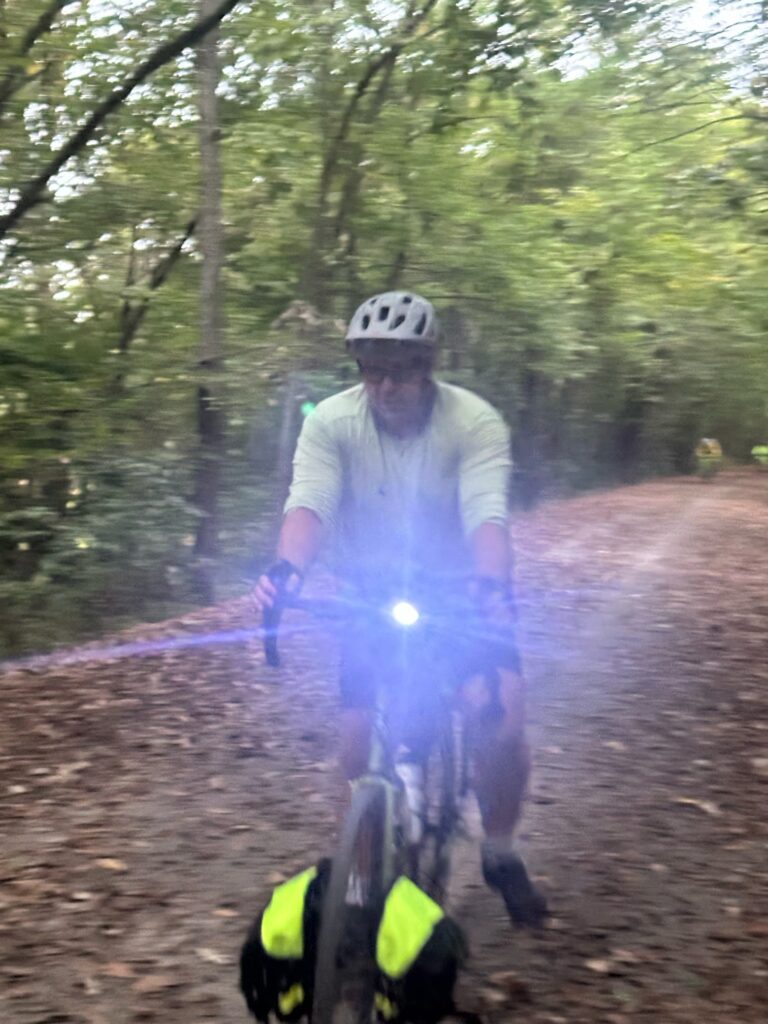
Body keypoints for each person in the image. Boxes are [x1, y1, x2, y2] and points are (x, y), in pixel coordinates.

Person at [252, 290, 547, 928]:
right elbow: (311, 503)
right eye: (371, 369)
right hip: (368, 588)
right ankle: (362, 889)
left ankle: (498, 850)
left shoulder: (474, 422)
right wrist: (285, 570)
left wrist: (493, 587)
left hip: (461, 587)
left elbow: (486, 513)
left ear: (428, 366)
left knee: (497, 718)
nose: (386, 385)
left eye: (402, 369)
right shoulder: (331, 421)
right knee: (358, 750)